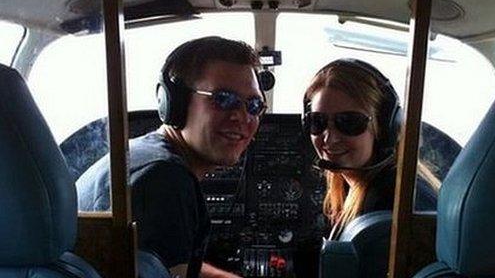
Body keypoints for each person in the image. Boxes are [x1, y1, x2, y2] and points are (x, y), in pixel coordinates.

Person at [77, 36, 267, 278]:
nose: (242, 117)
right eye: (223, 99)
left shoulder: (143, 154)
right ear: (174, 103)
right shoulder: (163, 180)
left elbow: (168, 267)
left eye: (253, 105)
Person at [302, 58, 438, 240]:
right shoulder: (362, 185)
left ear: (384, 128)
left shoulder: (395, 205)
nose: (329, 138)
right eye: (317, 121)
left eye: (349, 122)